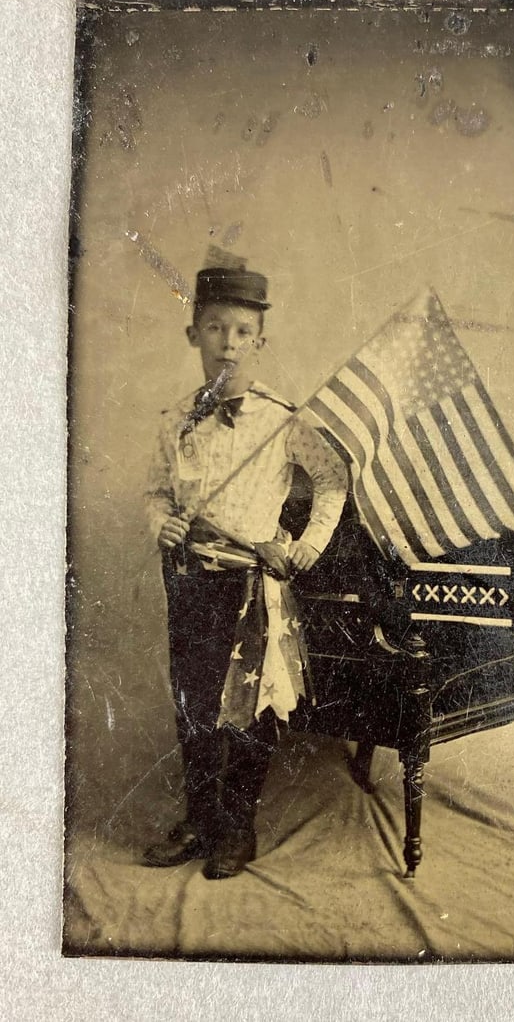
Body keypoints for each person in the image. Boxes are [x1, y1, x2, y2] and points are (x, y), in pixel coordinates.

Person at [142, 254, 347, 879]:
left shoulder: (283, 419)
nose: (227, 343)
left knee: (251, 708)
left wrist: (306, 546)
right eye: (214, 328)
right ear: (193, 334)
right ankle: (200, 818)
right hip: (190, 580)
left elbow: (333, 480)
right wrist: (163, 523)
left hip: (253, 585)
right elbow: (156, 492)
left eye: (241, 331)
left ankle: (237, 826)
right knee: (195, 703)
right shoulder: (174, 420)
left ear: (260, 340)